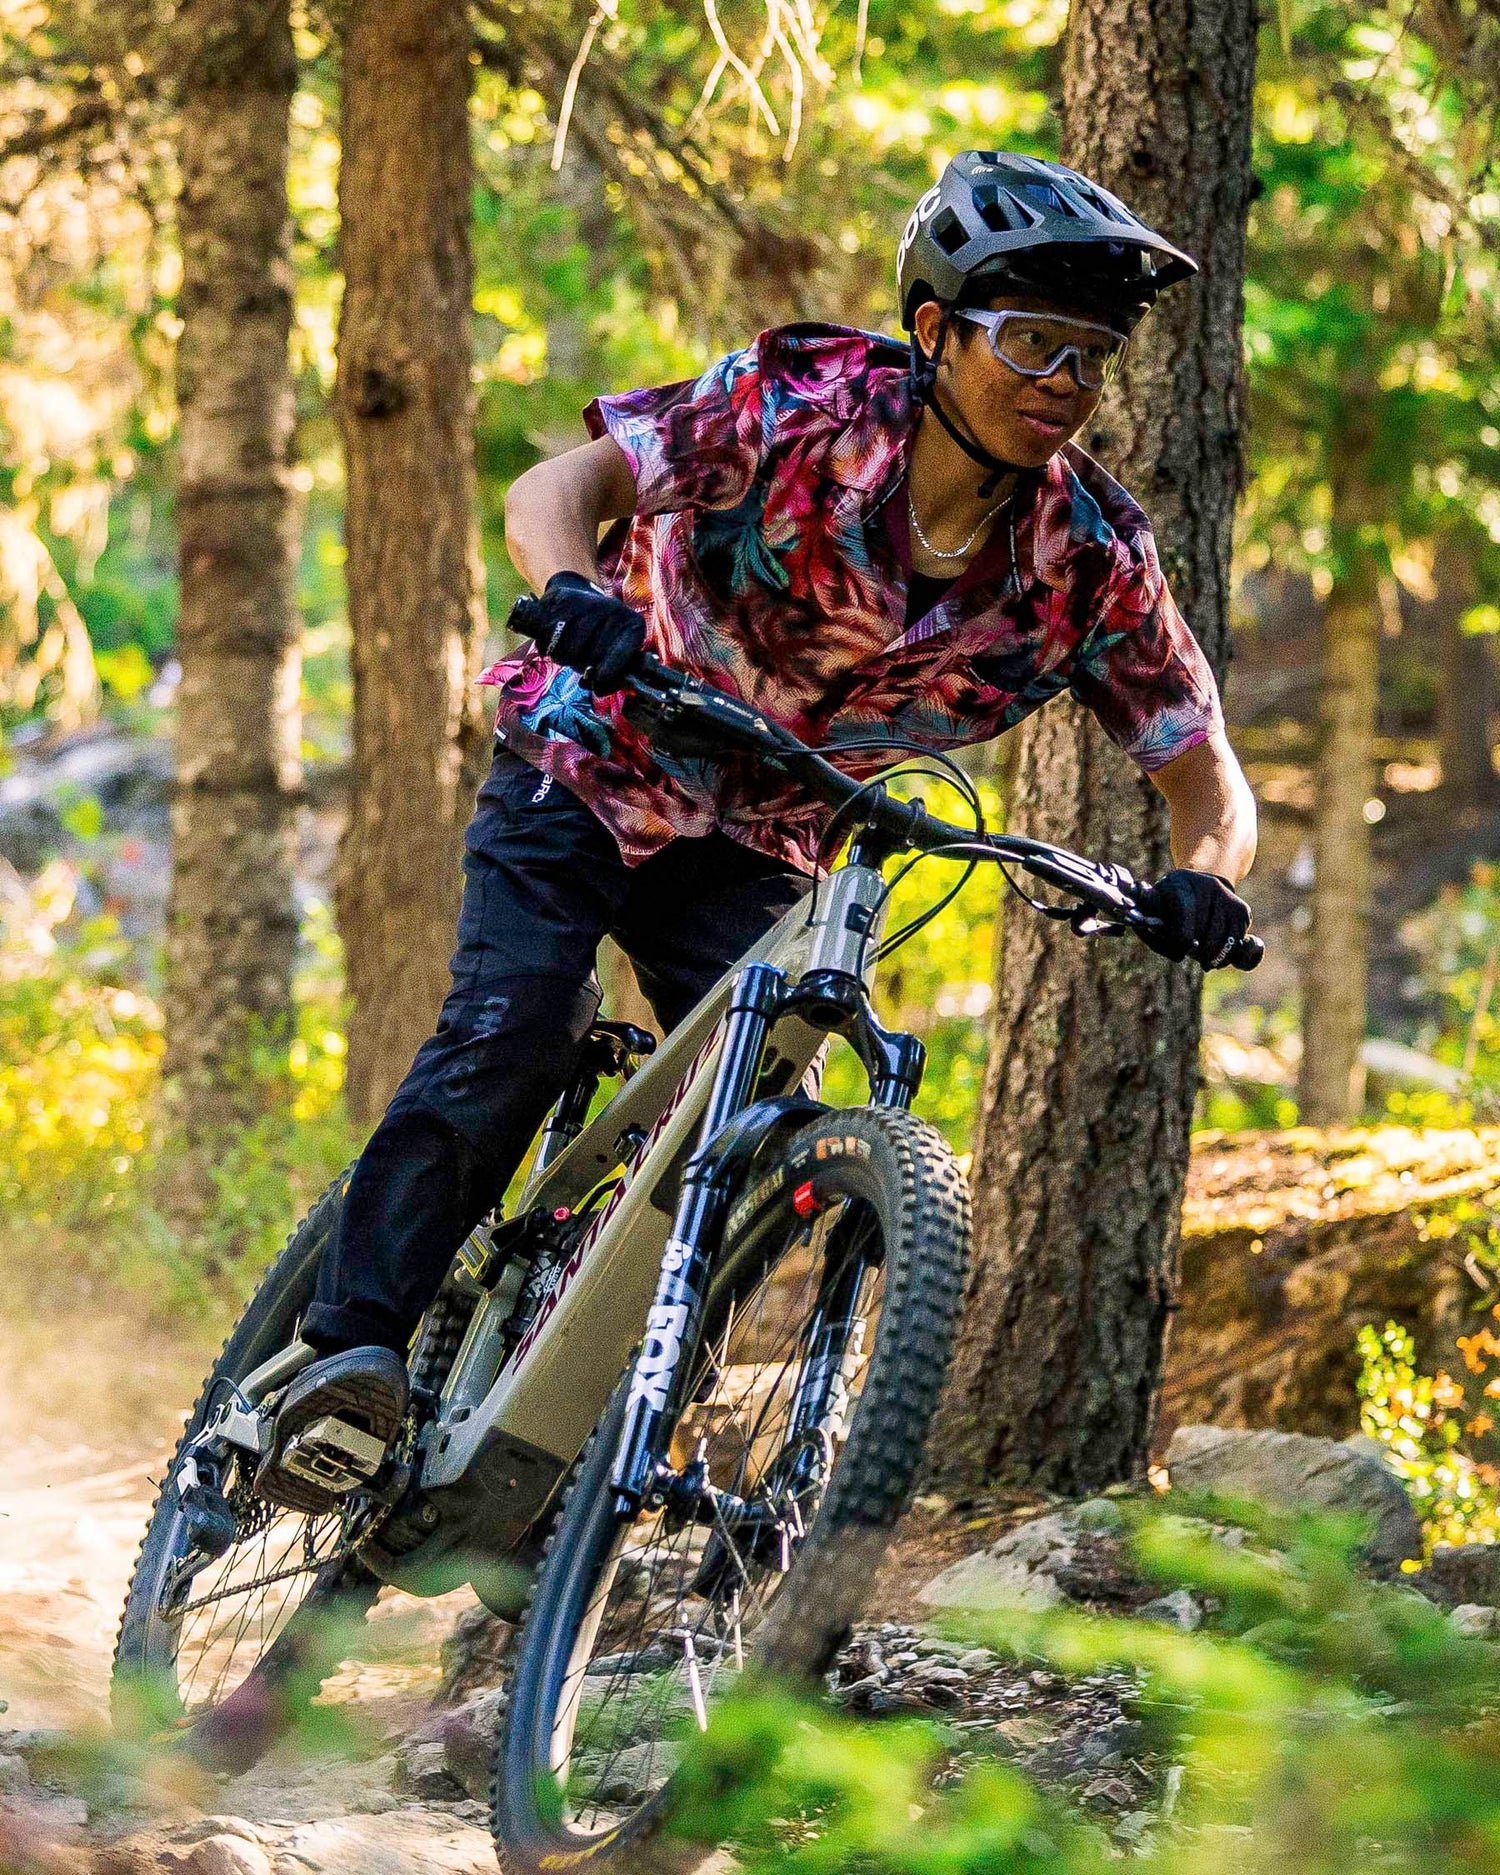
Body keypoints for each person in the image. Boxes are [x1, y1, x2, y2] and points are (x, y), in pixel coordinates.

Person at [262, 151, 1259, 1503]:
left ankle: (580, 1475)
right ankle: (346, 1353)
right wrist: (576, 592)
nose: (1064, 384)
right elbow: (555, 489)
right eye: (1031, 341)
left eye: (1090, 358)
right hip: (598, 753)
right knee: (519, 1025)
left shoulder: (1088, 556)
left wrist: (1205, 881)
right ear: (935, 330)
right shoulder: (805, 403)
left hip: (764, 836)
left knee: (749, 1142)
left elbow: (1207, 781)